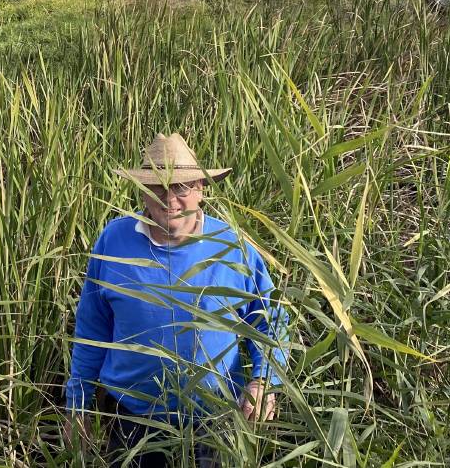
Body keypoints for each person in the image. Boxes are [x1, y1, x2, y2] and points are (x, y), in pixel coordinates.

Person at [64, 133, 288, 466]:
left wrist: (262, 381)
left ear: (200, 187)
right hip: (133, 421)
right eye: (157, 187)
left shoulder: (231, 245)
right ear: (142, 190)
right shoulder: (114, 240)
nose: (170, 199)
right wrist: (77, 404)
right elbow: (92, 328)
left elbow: (270, 323)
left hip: (215, 423)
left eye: (181, 187)